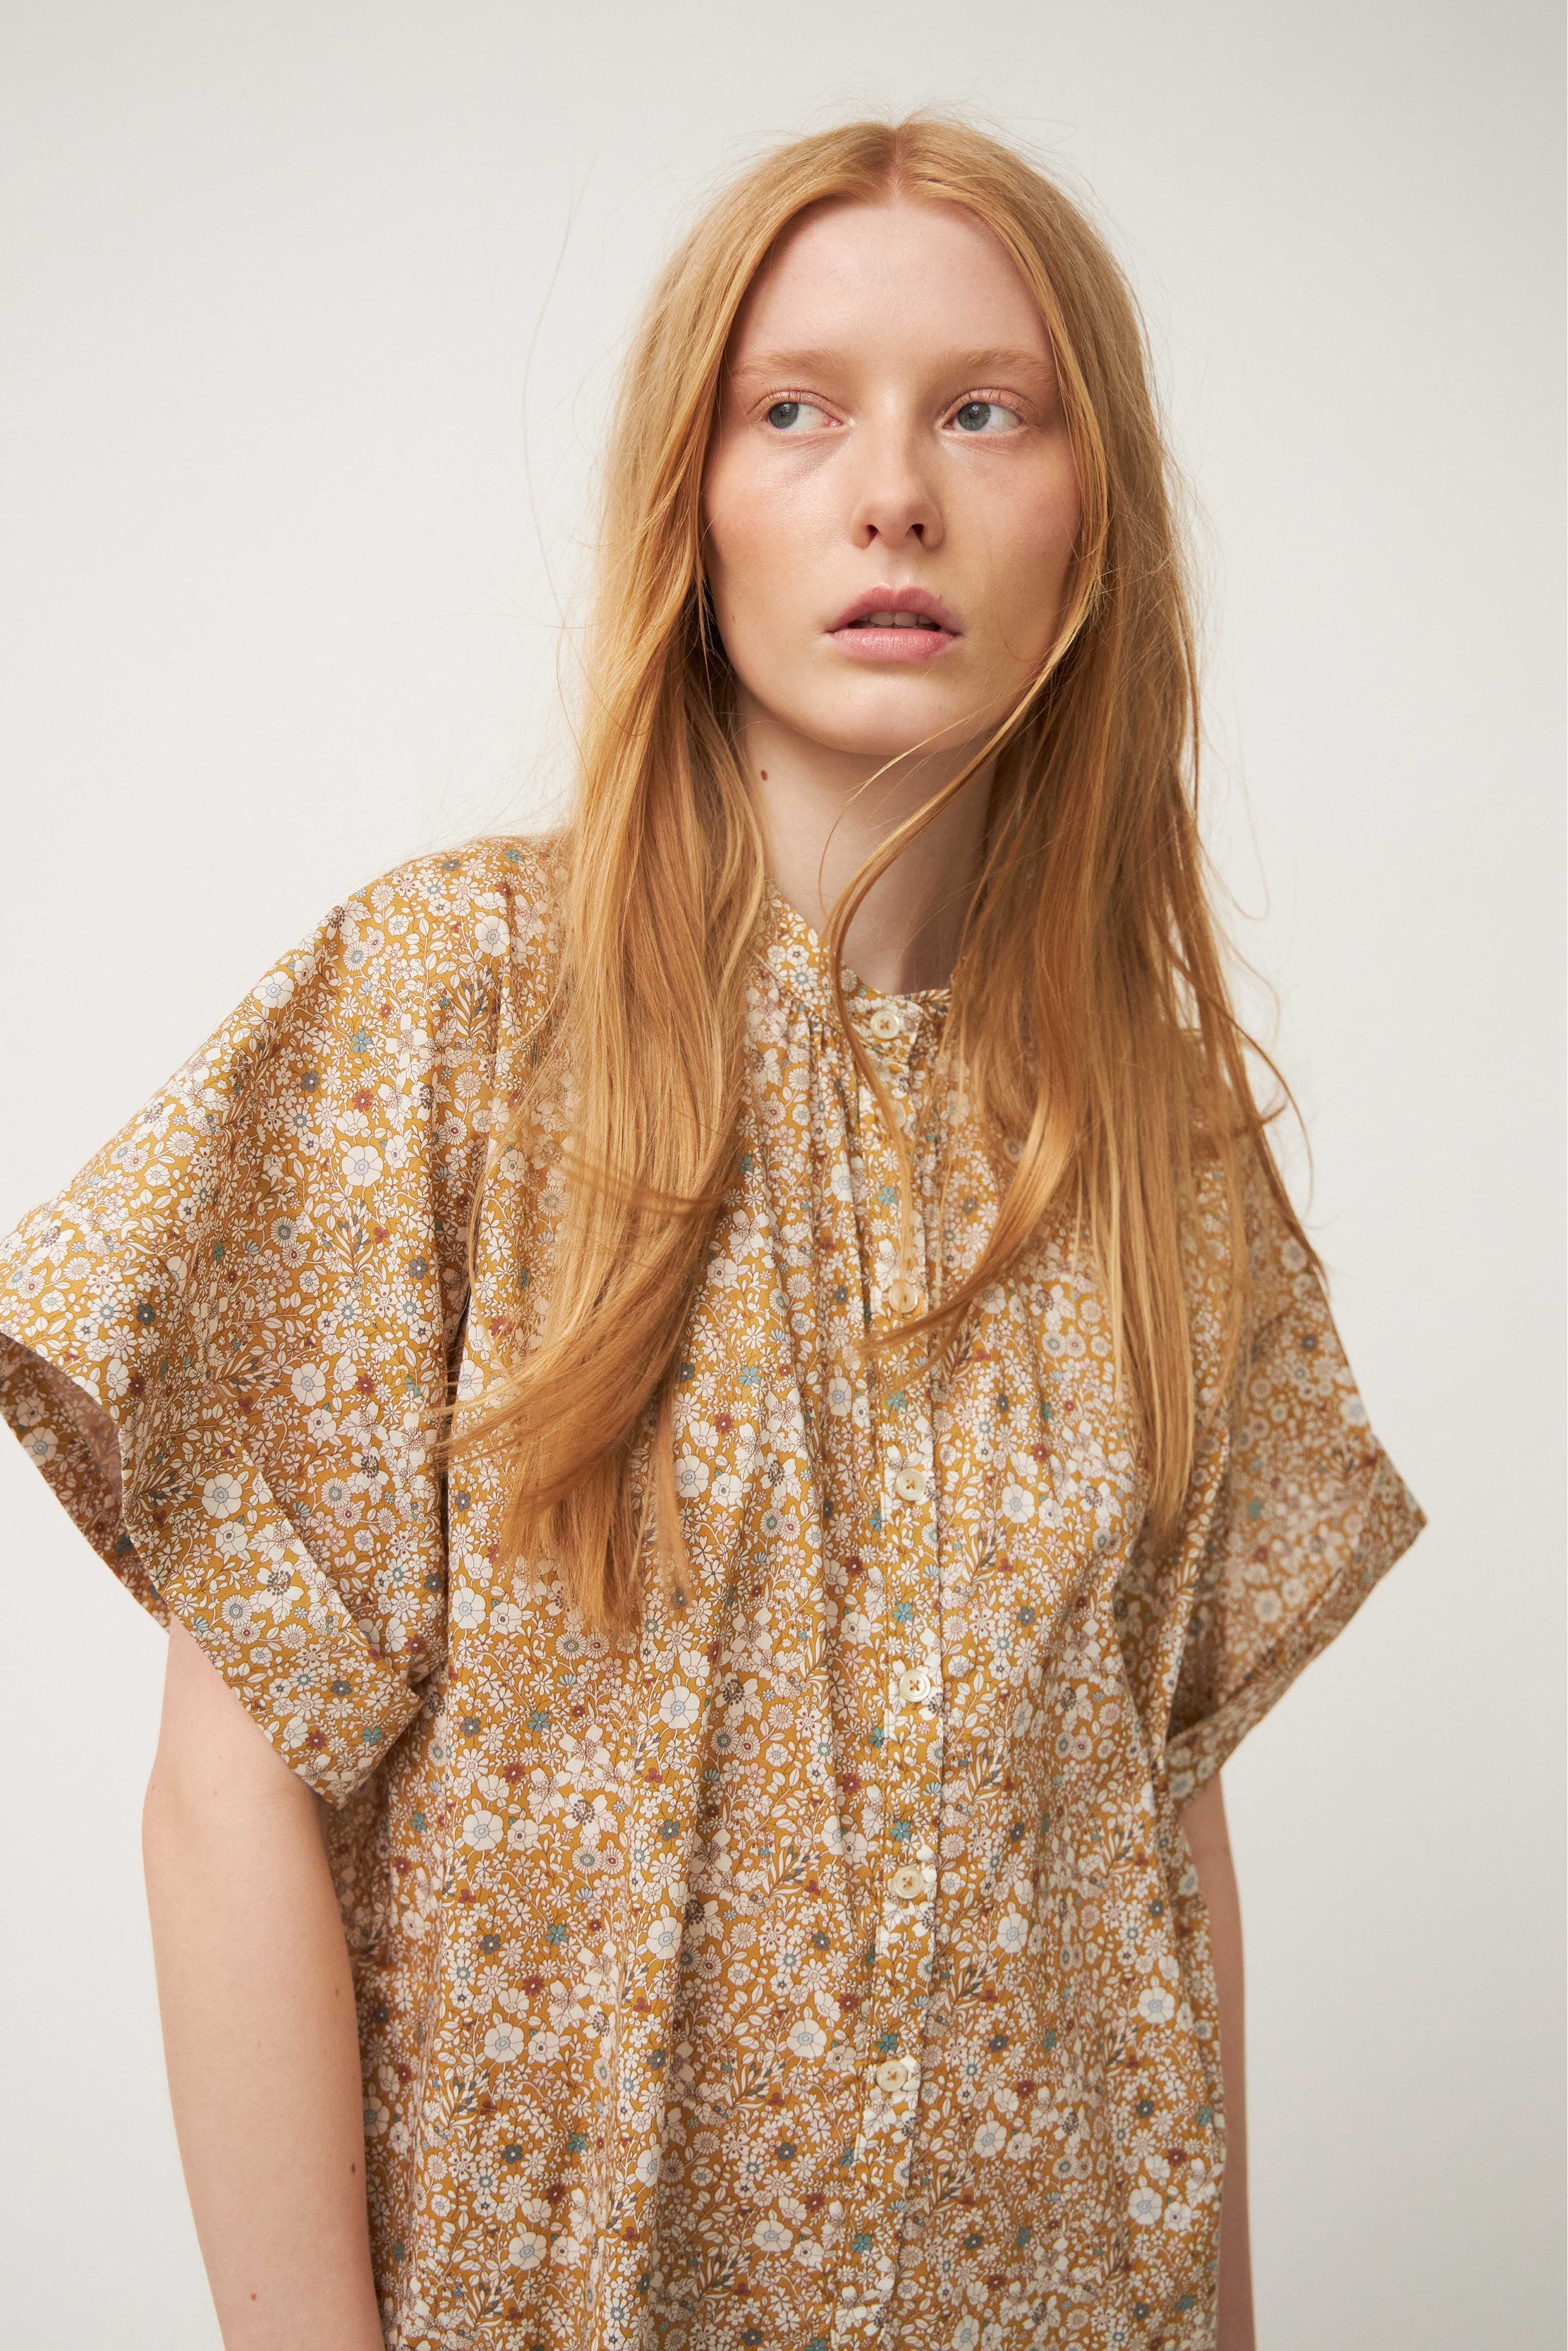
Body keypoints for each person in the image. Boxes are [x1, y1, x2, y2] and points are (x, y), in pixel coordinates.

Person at [0, 114, 1425, 2351]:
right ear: (694, 506)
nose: (895, 495)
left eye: (985, 407)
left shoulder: (1161, 1155)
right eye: (797, 410)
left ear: (1091, 518)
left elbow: (1161, 1847)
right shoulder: (452, 1016)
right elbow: (226, 1793)